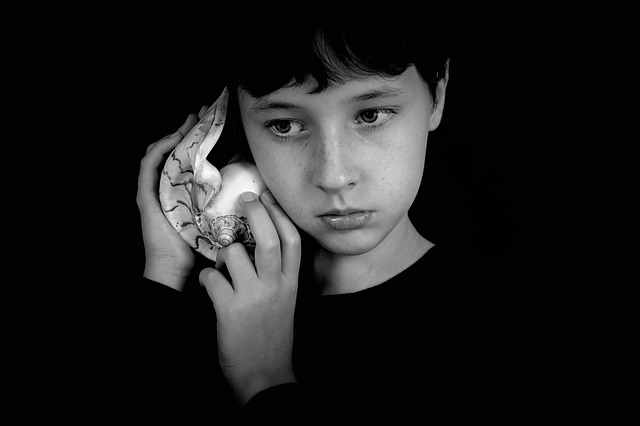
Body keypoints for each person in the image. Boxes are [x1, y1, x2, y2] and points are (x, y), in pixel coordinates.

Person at [127, 12, 554, 422]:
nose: (333, 176)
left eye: (370, 115)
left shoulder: (520, 324)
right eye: (284, 125)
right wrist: (166, 270)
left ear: (437, 94)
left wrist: (263, 378)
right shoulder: (204, 304)